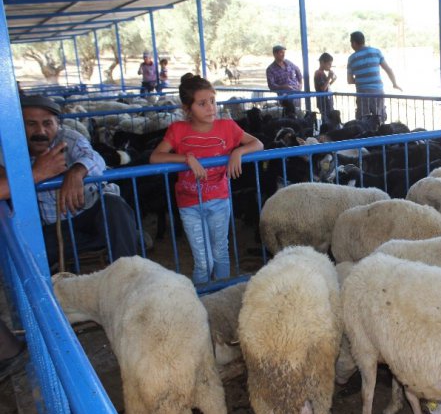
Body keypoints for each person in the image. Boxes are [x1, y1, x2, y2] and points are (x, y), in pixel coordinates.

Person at [0, 95, 139, 269]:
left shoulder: (68, 138)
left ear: (57, 124)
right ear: (19, 126)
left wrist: (76, 172)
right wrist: (38, 173)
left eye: (47, 123)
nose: (41, 132)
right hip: (47, 230)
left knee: (113, 204)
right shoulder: (8, 152)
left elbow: (93, 156)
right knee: (27, 255)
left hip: (85, 217)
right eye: (31, 124)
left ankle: (129, 274)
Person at [149, 73, 263, 284]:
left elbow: (257, 143)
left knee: (220, 253)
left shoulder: (227, 127)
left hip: (219, 200)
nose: (211, 107)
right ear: (187, 108)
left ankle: (221, 295)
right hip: (189, 203)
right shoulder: (178, 130)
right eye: (202, 104)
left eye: (212, 101)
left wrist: (238, 152)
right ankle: (202, 299)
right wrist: (186, 159)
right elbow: (155, 157)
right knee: (202, 261)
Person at [347, 31, 402, 129]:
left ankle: (367, 140)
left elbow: (349, 80)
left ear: (354, 43)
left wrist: (360, 79)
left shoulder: (352, 58)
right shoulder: (376, 52)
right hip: (378, 92)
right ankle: (380, 138)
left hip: (362, 93)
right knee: (379, 117)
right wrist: (394, 83)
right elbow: (388, 69)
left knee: (363, 120)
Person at [266, 45, 303, 114]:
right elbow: (271, 85)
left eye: (284, 52)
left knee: (298, 112)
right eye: (281, 52)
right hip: (285, 97)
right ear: (275, 54)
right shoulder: (270, 69)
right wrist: (283, 87)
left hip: (296, 94)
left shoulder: (288, 63)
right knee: (289, 114)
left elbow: (298, 70)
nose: (283, 54)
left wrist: (300, 83)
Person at [313, 52, 337, 124]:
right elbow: (322, 88)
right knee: (327, 120)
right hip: (323, 102)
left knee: (329, 119)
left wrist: (332, 80)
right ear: (322, 62)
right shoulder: (319, 73)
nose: (330, 66)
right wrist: (329, 77)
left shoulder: (322, 73)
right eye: (329, 64)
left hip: (326, 101)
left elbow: (326, 86)